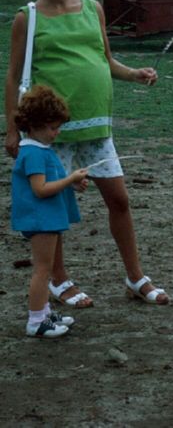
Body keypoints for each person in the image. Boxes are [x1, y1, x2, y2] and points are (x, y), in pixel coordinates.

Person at [4, 0, 170, 307]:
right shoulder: (26, 18)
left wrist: (134, 73)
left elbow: (106, 60)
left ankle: (135, 277)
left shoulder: (93, 8)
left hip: (97, 126)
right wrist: (12, 128)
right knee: (53, 210)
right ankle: (59, 281)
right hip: (51, 133)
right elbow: (13, 77)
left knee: (119, 200)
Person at [11, 86, 89, 337]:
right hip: (40, 219)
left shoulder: (41, 149)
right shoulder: (33, 152)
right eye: (52, 127)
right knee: (43, 270)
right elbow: (41, 189)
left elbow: (51, 180)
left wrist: (72, 182)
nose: (57, 133)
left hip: (49, 218)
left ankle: (44, 313)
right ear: (34, 125)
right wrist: (69, 180)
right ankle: (36, 320)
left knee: (45, 269)